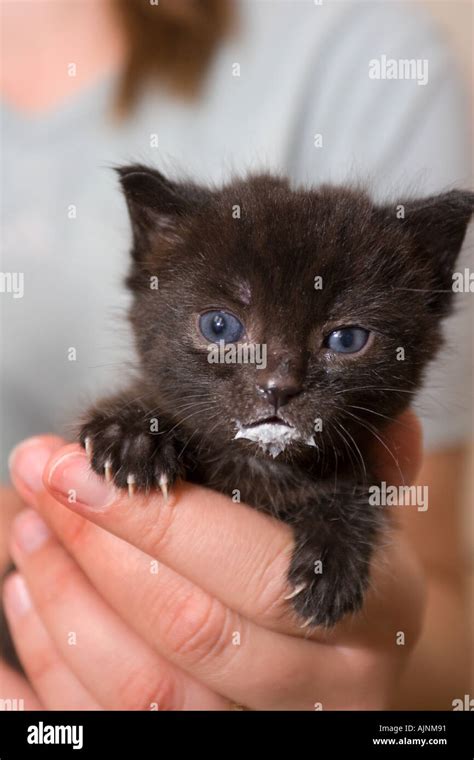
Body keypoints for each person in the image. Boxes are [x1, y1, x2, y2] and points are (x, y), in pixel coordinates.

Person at [1, 0, 472, 710]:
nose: (280, 378)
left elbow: (440, 601)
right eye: (222, 329)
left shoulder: (352, 46)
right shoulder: (149, 425)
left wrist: (385, 671)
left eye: (343, 340)